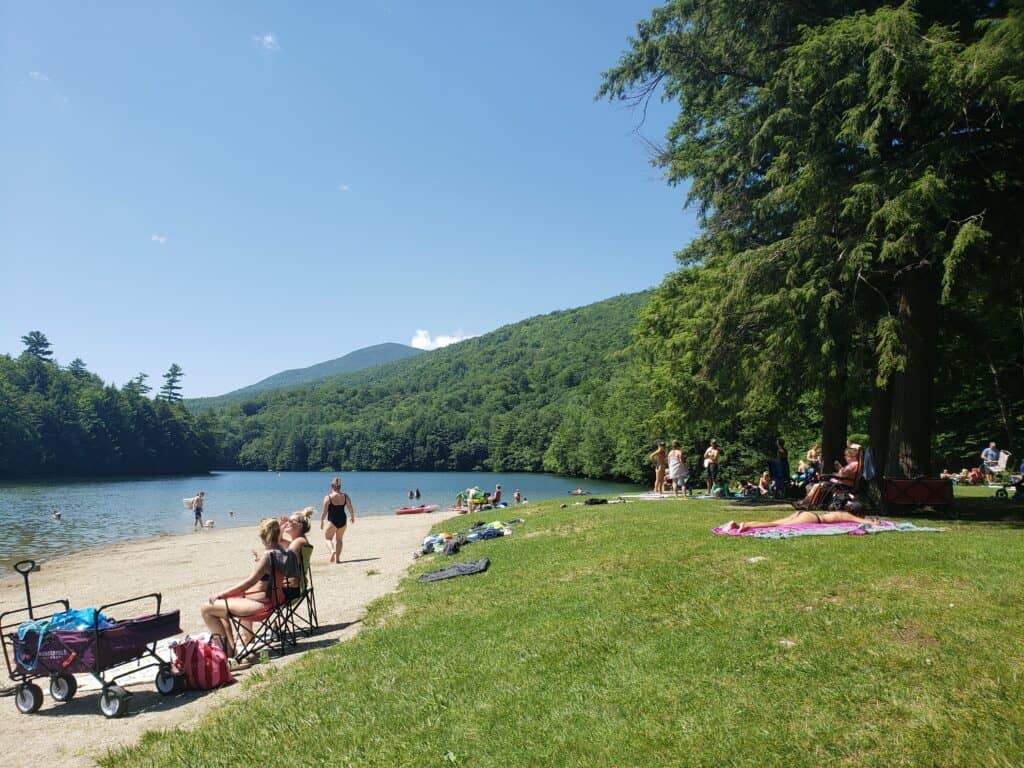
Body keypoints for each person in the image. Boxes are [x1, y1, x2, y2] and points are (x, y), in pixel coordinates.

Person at [200, 518, 298, 658]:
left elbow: (248, 582)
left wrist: (222, 594)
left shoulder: (268, 556)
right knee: (223, 607)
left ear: (263, 537)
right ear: (278, 534)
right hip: (275, 602)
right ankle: (232, 646)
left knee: (206, 608)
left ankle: (226, 652)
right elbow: (292, 580)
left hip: (260, 607)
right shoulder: (288, 553)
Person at [793, 446, 860, 509]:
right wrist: (839, 469)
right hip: (843, 483)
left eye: (847, 456)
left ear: (852, 456)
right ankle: (808, 504)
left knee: (817, 486)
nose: (845, 457)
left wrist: (834, 474)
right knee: (819, 486)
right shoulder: (855, 464)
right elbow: (845, 474)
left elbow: (842, 475)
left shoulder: (853, 465)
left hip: (841, 485)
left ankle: (803, 504)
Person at [720, 508, 880, 533]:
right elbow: (853, 519)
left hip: (804, 514)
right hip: (812, 518)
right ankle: (745, 525)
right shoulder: (846, 514)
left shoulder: (838, 511)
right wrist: (873, 523)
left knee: (776, 522)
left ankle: (739, 524)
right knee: (776, 525)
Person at [320, 477, 356, 564]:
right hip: (343, 520)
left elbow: (324, 512)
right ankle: (338, 559)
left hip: (333, 520)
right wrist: (352, 516)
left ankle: (332, 551)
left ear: (332, 486)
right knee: (339, 539)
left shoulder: (328, 497)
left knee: (328, 538)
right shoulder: (345, 496)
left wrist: (321, 521)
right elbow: (350, 507)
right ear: (340, 487)